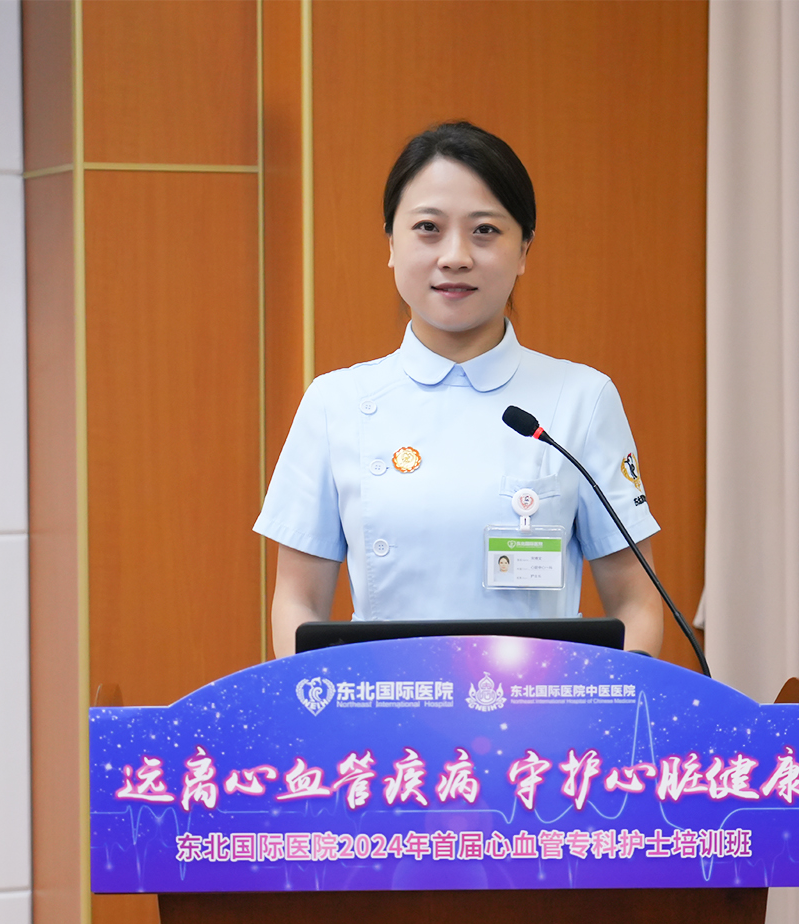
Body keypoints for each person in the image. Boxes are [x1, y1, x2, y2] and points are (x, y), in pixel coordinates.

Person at [255, 121, 663, 656]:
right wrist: (322, 697)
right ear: (391, 244)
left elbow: (636, 602)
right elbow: (297, 601)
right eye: (428, 227)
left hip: (539, 704)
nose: (455, 256)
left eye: (485, 230)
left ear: (524, 249)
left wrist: (602, 699)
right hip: (386, 702)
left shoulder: (582, 399)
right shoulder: (335, 404)